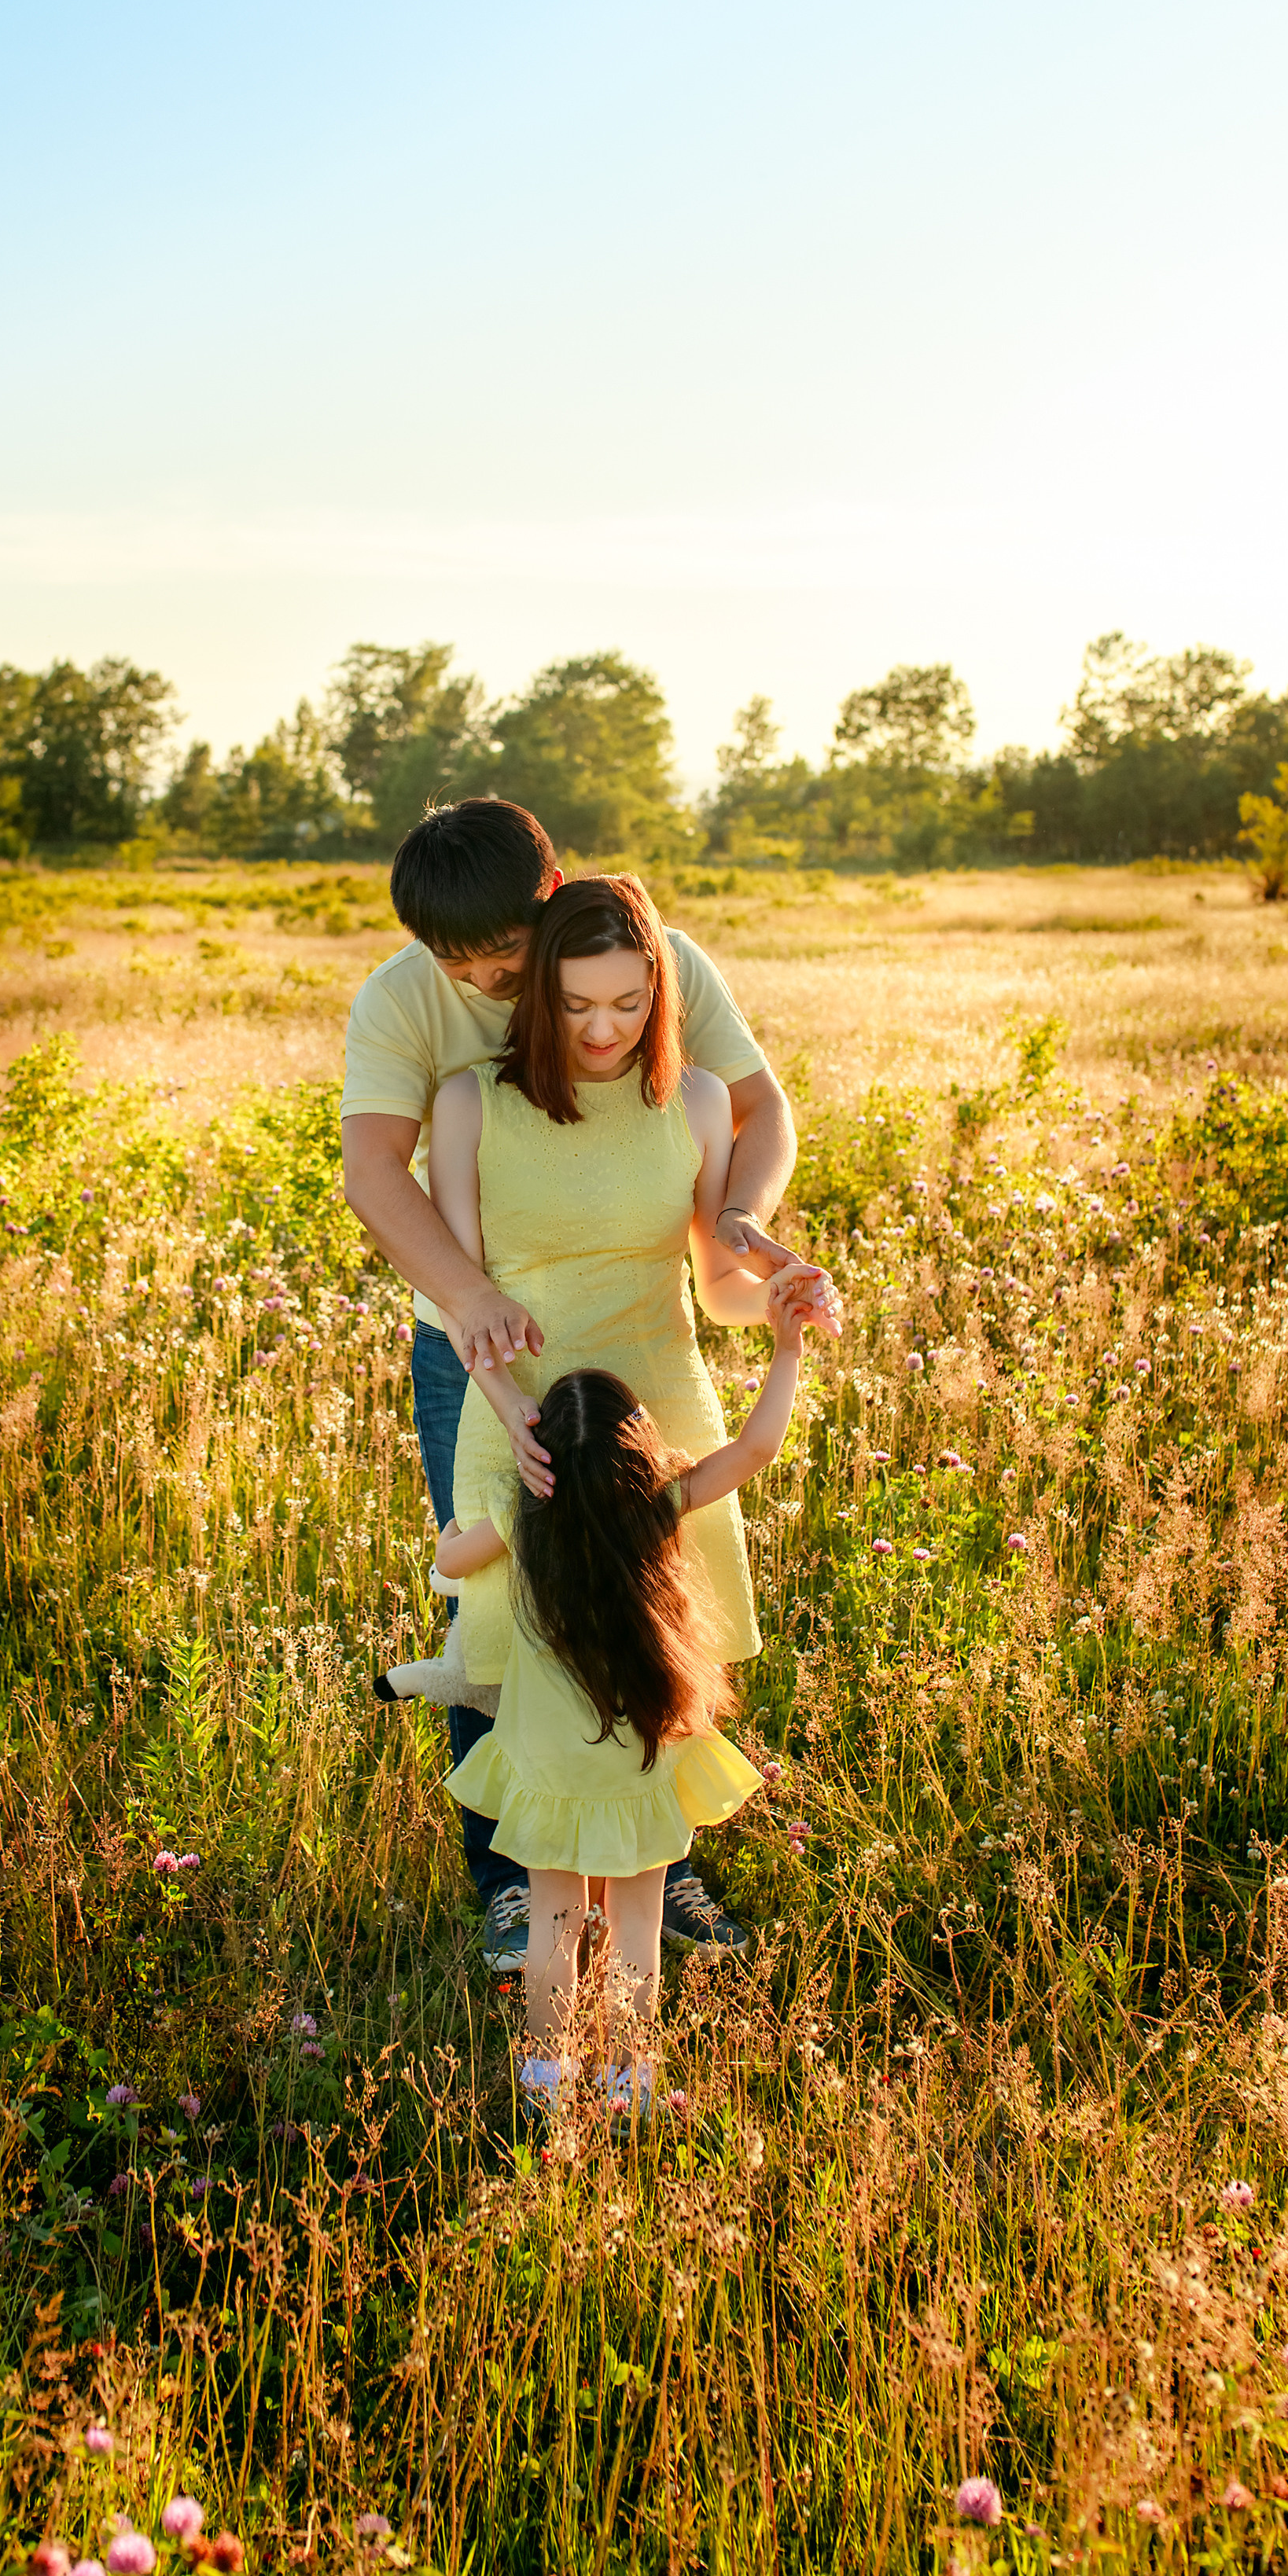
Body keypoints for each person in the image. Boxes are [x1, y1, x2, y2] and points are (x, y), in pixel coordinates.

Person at [340, 800, 828, 1972]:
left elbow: (755, 1109)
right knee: (507, 1608)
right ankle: (516, 1879)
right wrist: (471, 1305)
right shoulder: (409, 1008)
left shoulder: (648, 957)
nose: (482, 985)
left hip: (644, 1357)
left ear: (552, 898)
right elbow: (374, 1171)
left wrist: (745, 1228)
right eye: (457, 965)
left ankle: (656, 1855)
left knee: (658, 1604)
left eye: (504, 962)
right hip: (485, 1347)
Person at [432, 1295, 810, 2101]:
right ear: (639, 1453)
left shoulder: (522, 1516)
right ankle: (630, 2079)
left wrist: (452, 1534)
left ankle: (546, 2074)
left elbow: (451, 1561)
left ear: (543, 1461)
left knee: (555, 1923)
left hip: (546, 1765)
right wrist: (786, 1348)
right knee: (637, 1927)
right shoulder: (656, 1507)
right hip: (638, 1758)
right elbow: (756, 1446)